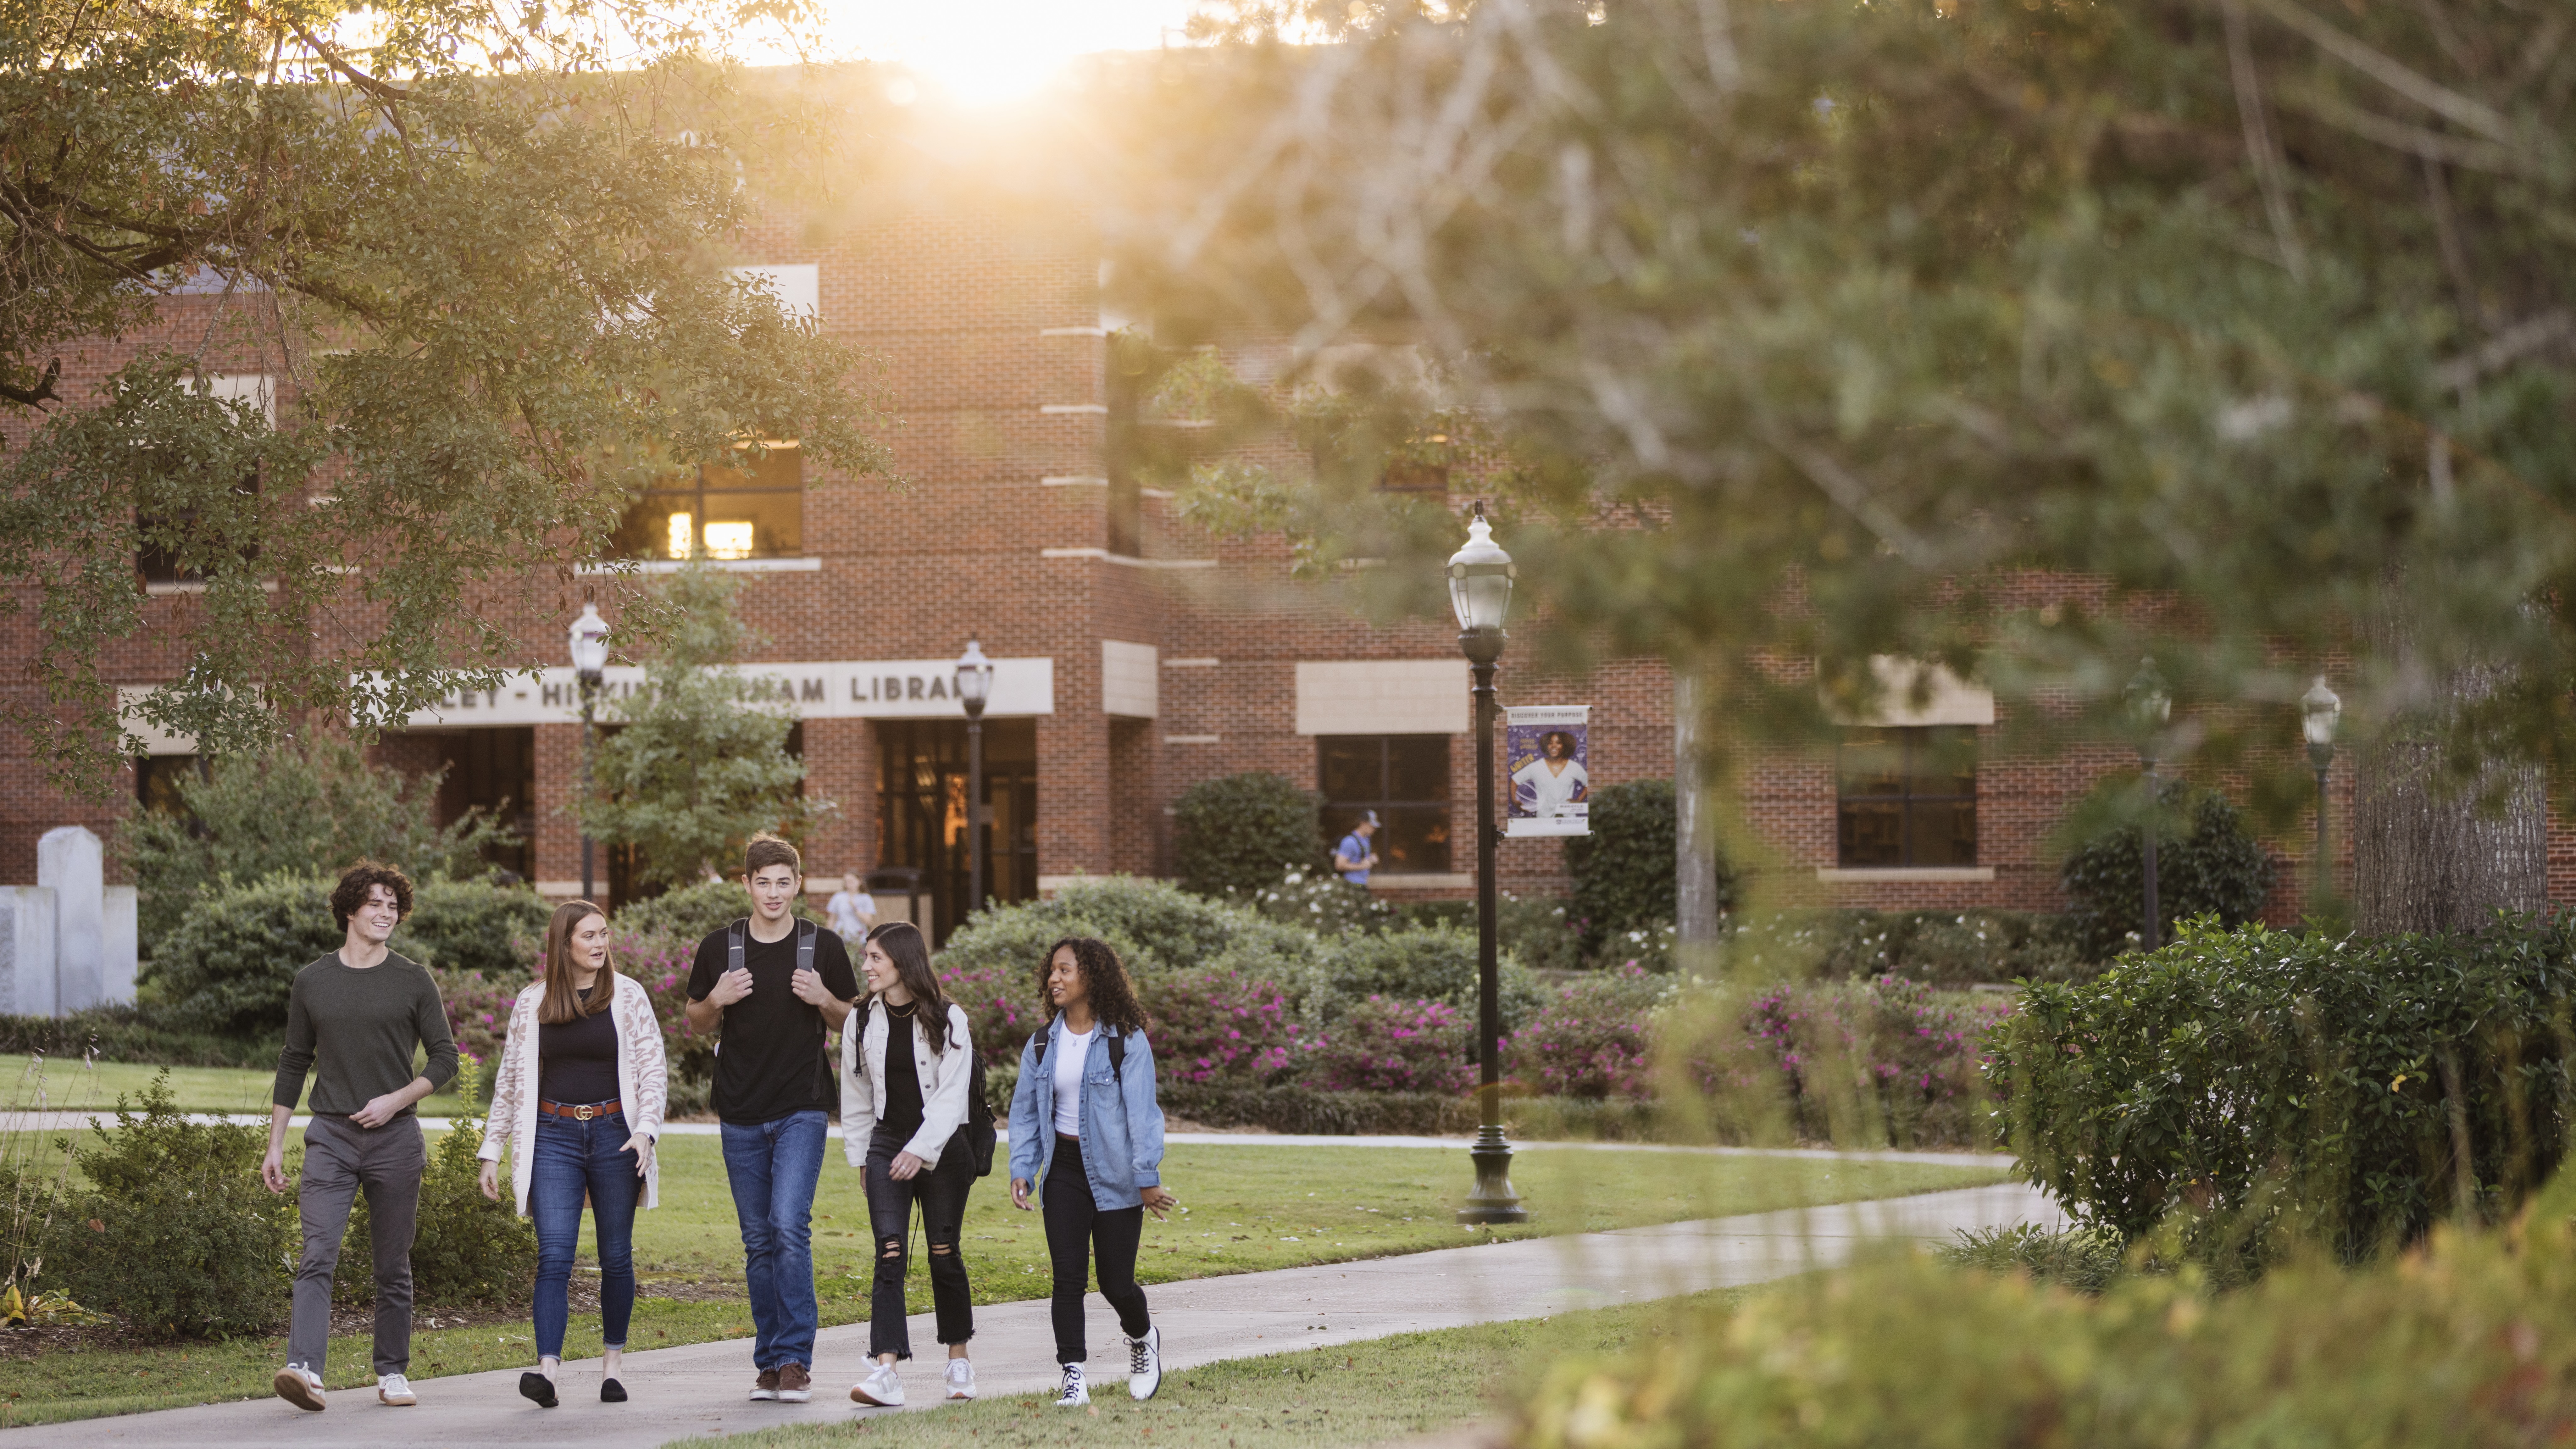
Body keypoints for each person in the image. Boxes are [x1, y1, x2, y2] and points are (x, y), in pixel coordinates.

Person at [263, 860, 460, 1413]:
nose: (385, 913)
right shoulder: (313, 980)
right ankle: (304, 1368)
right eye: (375, 903)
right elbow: (295, 1060)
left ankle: (392, 1370)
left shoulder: (413, 978)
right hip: (330, 1135)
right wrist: (275, 1143)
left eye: (393, 905)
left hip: (395, 1138)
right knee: (317, 1251)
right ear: (349, 909)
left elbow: (446, 1058)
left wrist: (396, 1098)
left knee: (392, 1261)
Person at [684, 834, 859, 1405]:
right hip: (738, 1110)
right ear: (747, 884)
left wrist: (824, 997)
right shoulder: (720, 946)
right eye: (764, 881)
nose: (774, 891)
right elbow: (696, 1022)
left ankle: (795, 1360)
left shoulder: (823, 945)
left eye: (784, 881)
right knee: (758, 1239)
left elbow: (850, 1022)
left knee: (788, 1223)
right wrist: (718, 997)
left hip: (802, 1107)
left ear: (798, 884)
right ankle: (768, 1360)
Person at [478, 900, 669, 1408]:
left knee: (615, 1256)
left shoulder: (628, 995)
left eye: (604, 933)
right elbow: (511, 1081)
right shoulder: (532, 1002)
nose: (600, 943)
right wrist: (492, 1149)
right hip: (552, 1135)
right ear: (564, 945)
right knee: (555, 1255)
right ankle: (547, 1372)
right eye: (589, 936)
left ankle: (612, 1367)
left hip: (615, 1135)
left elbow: (653, 1070)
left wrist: (646, 1131)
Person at [1008, 936, 1173, 1408]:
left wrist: (1147, 1178)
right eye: (1052, 971)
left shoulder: (1127, 1040)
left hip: (1117, 1174)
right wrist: (1023, 1167)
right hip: (1063, 1168)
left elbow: (1143, 1115)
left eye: (1065, 971)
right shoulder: (1042, 1043)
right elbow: (1023, 1113)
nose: (1054, 979)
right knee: (1067, 1277)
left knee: (1116, 1283)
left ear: (1092, 978)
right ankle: (1073, 1374)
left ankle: (1143, 1340)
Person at [841, 921, 980, 1408]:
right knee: (890, 1253)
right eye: (867, 958)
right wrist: (863, 1158)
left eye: (875, 958)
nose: (867, 967)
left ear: (903, 961)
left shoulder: (948, 1018)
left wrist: (918, 1151)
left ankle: (958, 1361)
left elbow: (950, 1098)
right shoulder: (859, 1020)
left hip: (942, 1147)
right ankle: (886, 1372)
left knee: (943, 1251)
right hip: (885, 1142)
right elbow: (855, 1096)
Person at [1511, 730, 1590, 818]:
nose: (1554, 746)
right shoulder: (1537, 766)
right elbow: (1515, 780)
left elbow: (1589, 782)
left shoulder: (1574, 767)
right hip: (1544, 819)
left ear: (1565, 746)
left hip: (1568, 819)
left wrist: (1579, 800)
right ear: (1546, 746)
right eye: (1550, 743)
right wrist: (1515, 801)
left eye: (1558, 743)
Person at [826, 872, 879, 942]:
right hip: (840, 938)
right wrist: (828, 936)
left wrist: (855, 909)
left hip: (859, 940)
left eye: (852, 882)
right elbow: (832, 919)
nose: (849, 885)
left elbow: (869, 921)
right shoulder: (838, 897)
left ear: (859, 881)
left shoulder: (866, 898)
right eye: (847, 882)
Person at [1332, 811, 1380, 885]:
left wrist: (1371, 859)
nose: (1374, 829)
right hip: (1354, 884)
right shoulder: (1350, 841)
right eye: (1371, 826)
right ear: (1363, 824)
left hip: (1363, 882)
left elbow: (1361, 859)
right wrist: (1363, 866)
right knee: (1361, 891)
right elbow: (1339, 865)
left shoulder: (1367, 839)